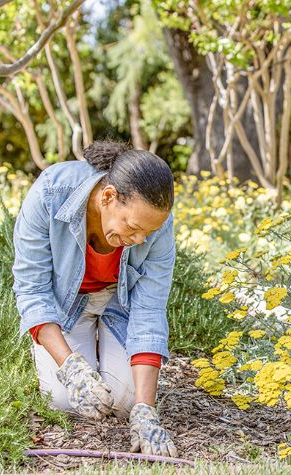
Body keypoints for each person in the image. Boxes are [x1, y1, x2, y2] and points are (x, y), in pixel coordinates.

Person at [12, 140, 178, 457]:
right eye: (132, 227)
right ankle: (79, 354)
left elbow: (149, 308)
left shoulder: (155, 221)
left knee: (124, 402)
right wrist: (72, 369)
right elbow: (33, 290)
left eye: (148, 232)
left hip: (120, 304)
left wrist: (145, 409)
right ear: (107, 197)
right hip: (66, 306)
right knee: (64, 400)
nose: (141, 239)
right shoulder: (50, 192)